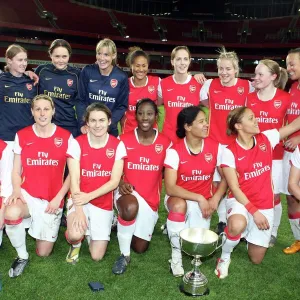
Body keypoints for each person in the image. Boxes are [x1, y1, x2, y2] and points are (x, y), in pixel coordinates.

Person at [215, 106, 300, 279]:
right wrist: (254, 213)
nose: (257, 121)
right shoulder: (229, 152)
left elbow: (293, 126)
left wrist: (259, 213)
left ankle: (243, 235)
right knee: (237, 224)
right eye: (251, 118)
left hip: (265, 204)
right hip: (240, 201)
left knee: (256, 258)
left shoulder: (266, 138)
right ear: (239, 126)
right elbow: (234, 188)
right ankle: (224, 256)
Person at [4, 94, 72, 278]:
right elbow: (16, 170)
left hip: (52, 200)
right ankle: (22, 255)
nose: (42, 113)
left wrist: (59, 198)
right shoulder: (22, 135)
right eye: (38, 109)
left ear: (53, 111)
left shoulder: (66, 137)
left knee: (43, 252)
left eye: (46, 109)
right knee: (10, 213)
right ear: (32, 112)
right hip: (28, 195)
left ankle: (40, 226)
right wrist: (17, 191)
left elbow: (73, 173)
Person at [164, 105, 227, 277]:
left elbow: (225, 178)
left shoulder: (216, 147)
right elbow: (170, 187)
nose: (206, 124)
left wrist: (214, 199)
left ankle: (174, 228)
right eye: (201, 121)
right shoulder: (174, 151)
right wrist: (199, 197)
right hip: (179, 197)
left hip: (204, 202)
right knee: (178, 206)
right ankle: (175, 258)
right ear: (187, 126)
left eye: (206, 121)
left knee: (195, 245)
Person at [112, 99, 171, 275]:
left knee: (140, 247)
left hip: (150, 202)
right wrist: (120, 182)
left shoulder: (166, 143)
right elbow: (110, 168)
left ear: (156, 116)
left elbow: (171, 175)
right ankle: (124, 255)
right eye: (140, 113)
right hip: (126, 193)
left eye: (149, 113)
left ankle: (120, 222)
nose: (144, 117)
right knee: (130, 207)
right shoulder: (123, 140)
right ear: (135, 115)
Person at [200, 47, 254, 235]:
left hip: (235, 144)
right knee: (218, 183)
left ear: (236, 69)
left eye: (228, 69)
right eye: (221, 68)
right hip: (214, 142)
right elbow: (206, 103)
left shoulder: (247, 86)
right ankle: (223, 221)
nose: (224, 73)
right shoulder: (210, 85)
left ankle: (240, 218)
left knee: (234, 182)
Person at [65, 103, 125, 263]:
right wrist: (79, 210)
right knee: (74, 234)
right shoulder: (76, 143)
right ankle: (76, 243)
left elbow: (114, 182)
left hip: (102, 201)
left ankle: (96, 228)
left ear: (109, 121)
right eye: (93, 120)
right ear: (87, 122)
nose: (97, 125)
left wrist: (89, 197)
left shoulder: (118, 145)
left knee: (96, 256)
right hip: (78, 198)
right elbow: (74, 179)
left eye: (101, 120)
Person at [247, 59, 289, 247]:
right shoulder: (249, 97)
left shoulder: (285, 98)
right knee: (250, 193)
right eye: (255, 74)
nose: (256, 78)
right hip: (251, 154)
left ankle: (273, 230)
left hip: (276, 157)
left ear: (273, 77)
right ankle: (248, 228)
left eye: (260, 74)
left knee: (273, 195)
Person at [0, 44, 37, 216]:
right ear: (9, 60)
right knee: (8, 180)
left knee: (26, 178)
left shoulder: (32, 81)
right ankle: (7, 214)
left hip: (27, 139)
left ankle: (22, 214)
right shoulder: (1, 81)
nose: (24, 63)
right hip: (7, 139)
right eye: (20, 60)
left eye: (26, 60)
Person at [77, 38, 129, 137]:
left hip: (109, 129)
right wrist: (83, 123)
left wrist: (108, 124)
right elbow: (80, 100)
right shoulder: (87, 71)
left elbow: (121, 105)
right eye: (99, 53)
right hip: (88, 127)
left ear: (113, 55)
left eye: (106, 54)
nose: (101, 58)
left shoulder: (121, 76)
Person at [35, 39, 81, 137]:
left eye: (64, 56)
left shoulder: (76, 75)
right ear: (50, 55)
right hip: (45, 124)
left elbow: (81, 102)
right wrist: (26, 73)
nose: (61, 60)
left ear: (69, 56)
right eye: (57, 56)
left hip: (68, 125)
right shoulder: (41, 71)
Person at [158, 46, 203, 144]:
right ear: (172, 62)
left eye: (185, 59)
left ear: (189, 61)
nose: (182, 63)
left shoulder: (199, 84)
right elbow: (157, 103)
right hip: (168, 139)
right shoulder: (163, 84)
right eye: (178, 59)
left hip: (190, 139)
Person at [282, 47, 300, 254]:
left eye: (293, 63)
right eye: (287, 64)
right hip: (291, 152)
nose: (289, 68)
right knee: (292, 196)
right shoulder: (293, 87)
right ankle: (298, 239)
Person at [121, 47, 161, 134]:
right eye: (137, 66)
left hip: (151, 134)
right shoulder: (124, 84)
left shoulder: (157, 82)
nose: (141, 69)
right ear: (131, 66)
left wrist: (192, 77)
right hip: (129, 133)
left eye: (144, 65)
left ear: (148, 66)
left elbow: (176, 84)